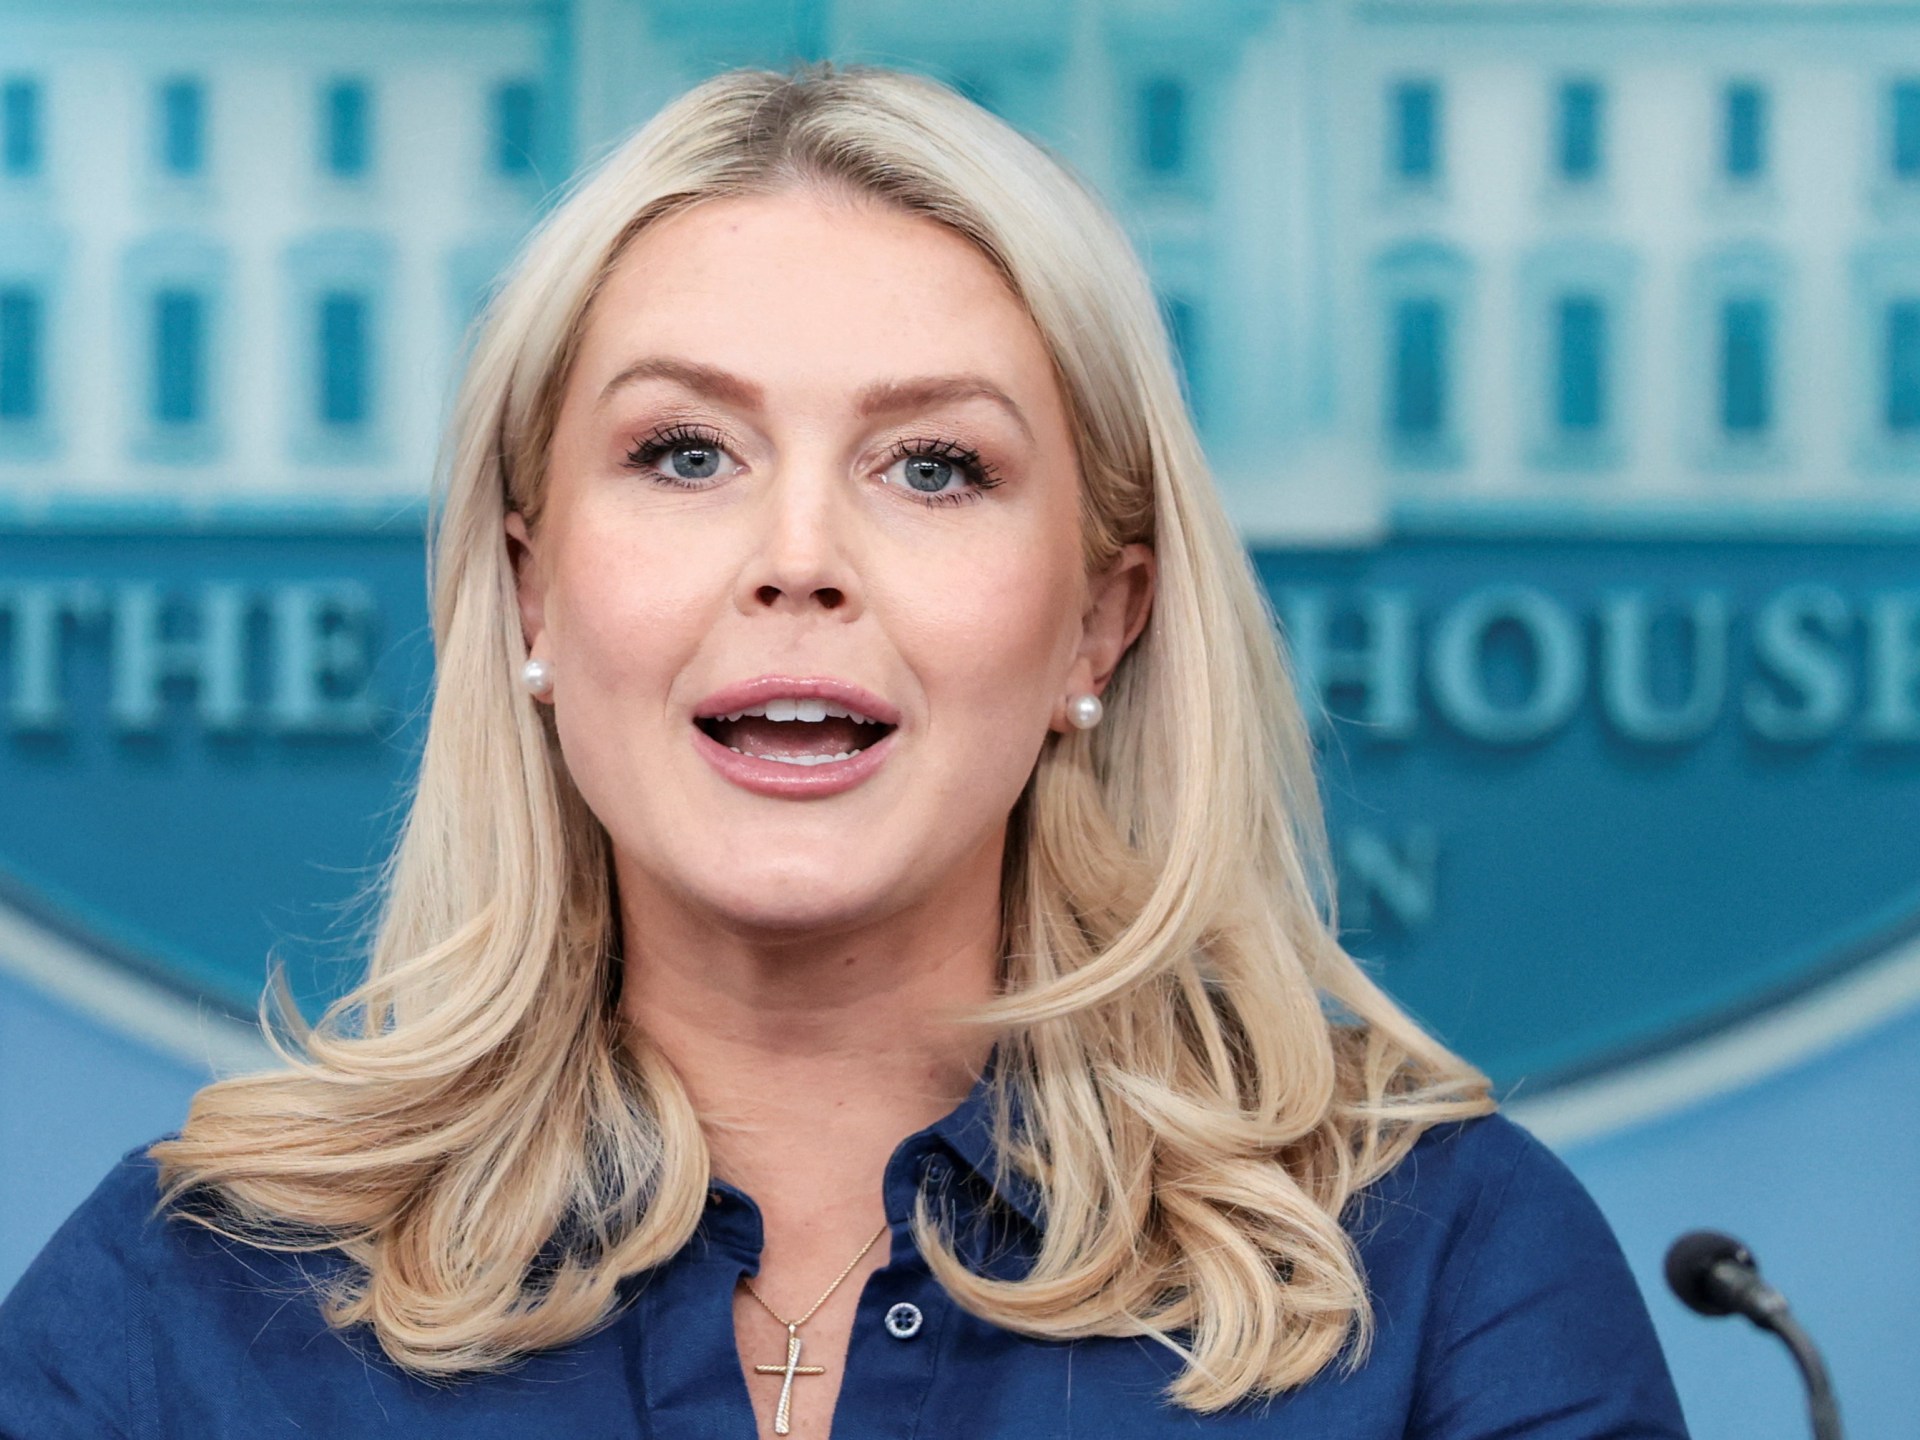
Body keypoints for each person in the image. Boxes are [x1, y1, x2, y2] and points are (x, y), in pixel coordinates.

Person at [0, 63, 1689, 1439]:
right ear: (528, 591)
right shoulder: (181, 1304)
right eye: (685, 453)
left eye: (933, 467)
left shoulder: (1443, 1273)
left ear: (1099, 623)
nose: (797, 556)